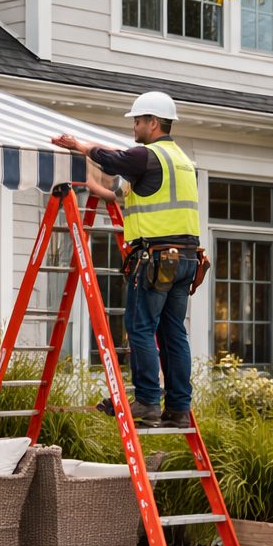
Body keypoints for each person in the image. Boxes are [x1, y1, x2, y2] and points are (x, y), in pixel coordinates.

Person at [51, 91, 200, 429]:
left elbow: (112, 159)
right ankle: (178, 409)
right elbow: (118, 192)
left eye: (137, 120)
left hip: (156, 258)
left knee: (140, 327)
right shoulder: (180, 161)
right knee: (173, 332)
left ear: (153, 122)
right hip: (186, 259)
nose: (134, 126)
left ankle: (147, 401)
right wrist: (86, 185)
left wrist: (78, 146)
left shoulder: (147, 156)